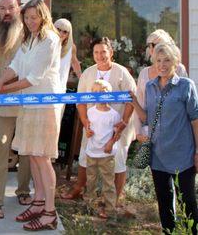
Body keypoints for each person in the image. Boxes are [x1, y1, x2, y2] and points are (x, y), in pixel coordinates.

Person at [0, 0, 62, 231]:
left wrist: (1, 90)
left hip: (44, 106)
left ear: (43, 16)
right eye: (27, 18)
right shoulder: (30, 38)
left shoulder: (50, 39)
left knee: (42, 159)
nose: (30, 21)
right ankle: (38, 203)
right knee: (32, 156)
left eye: (34, 17)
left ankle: (50, 213)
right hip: (28, 106)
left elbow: (33, 78)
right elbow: (16, 65)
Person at [130, 42, 198, 234]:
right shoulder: (150, 86)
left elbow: (195, 120)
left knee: (188, 204)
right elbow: (146, 118)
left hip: (183, 156)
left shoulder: (186, 86)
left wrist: (197, 152)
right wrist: (134, 101)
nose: (162, 65)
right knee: (165, 204)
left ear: (175, 62)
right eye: (158, 60)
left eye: (167, 60)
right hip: (158, 157)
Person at [61, 37, 136, 205]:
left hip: (117, 125)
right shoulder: (88, 73)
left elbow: (132, 100)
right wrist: (85, 120)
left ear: (111, 52)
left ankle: (114, 199)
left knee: (118, 159)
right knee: (85, 156)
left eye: (103, 52)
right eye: (96, 52)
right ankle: (79, 188)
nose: (100, 55)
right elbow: (80, 101)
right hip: (93, 126)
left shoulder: (122, 73)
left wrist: (123, 123)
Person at [0, 0, 32, 219]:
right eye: (2, 8)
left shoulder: (30, 35)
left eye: (10, 7)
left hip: (28, 103)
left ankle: (23, 191)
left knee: (28, 151)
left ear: (18, 9)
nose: (6, 12)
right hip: (1, 105)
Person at [132, 29, 187, 142]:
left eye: (156, 44)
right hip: (148, 134)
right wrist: (138, 134)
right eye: (150, 45)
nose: (152, 48)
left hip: (174, 134)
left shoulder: (178, 69)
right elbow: (139, 106)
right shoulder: (144, 73)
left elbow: (187, 106)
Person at [84, 79, 120, 220]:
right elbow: (88, 128)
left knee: (108, 183)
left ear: (109, 94)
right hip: (91, 152)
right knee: (90, 181)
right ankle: (90, 206)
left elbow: (117, 132)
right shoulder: (90, 111)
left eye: (102, 92)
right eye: (95, 92)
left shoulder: (114, 114)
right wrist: (88, 132)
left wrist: (111, 142)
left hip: (106, 154)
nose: (99, 94)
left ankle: (110, 210)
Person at [53, 18, 82, 91]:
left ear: (68, 34)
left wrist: (82, 80)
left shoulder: (71, 47)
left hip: (60, 87)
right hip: (43, 87)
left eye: (65, 31)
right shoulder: (45, 45)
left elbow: (75, 63)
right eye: (58, 29)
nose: (61, 33)